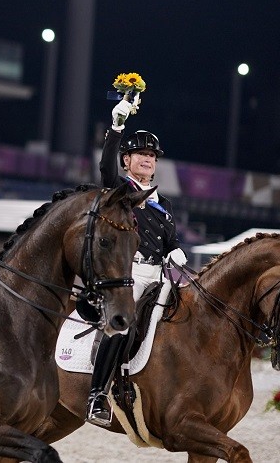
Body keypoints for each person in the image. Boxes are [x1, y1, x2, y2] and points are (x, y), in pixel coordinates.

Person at [85, 95, 187, 427]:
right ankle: (97, 394)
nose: (147, 159)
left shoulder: (164, 203)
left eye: (152, 155)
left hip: (161, 276)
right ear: (126, 160)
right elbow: (105, 167)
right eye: (141, 154)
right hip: (129, 275)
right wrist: (116, 127)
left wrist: (175, 249)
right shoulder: (119, 190)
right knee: (123, 325)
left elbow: (170, 240)